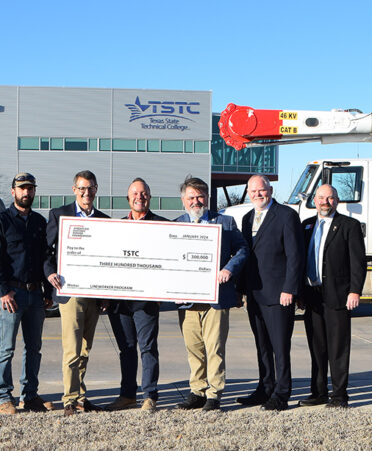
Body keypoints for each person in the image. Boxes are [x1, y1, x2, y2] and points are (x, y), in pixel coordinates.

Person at [175, 176, 248, 411]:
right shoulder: (176, 225)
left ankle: (214, 394)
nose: (196, 201)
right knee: (193, 347)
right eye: (191, 197)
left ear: (207, 198)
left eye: (200, 196)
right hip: (187, 300)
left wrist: (229, 268)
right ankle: (197, 390)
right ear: (183, 200)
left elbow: (242, 249)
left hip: (216, 297)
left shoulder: (225, 222)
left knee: (214, 347)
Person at [237, 174, 305, 411]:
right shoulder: (247, 219)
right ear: (248, 193)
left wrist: (290, 288)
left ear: (271, 190)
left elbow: (295, 256)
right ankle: (265, 388)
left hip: (279, 295)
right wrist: (242, 291)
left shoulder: (286, 216)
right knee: (262, 346)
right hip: (255, 294)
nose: (258, 194)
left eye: (262, 190)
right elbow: (245, 257)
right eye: (253, 191)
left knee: (279, 347)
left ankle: (282, 392)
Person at [44, 170, 109, 416]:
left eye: (90, 188)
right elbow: (47, 252)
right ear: (74, 190)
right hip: (69, 292)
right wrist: (50, 273)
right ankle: (69, 400)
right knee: (71, 350)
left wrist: (105, 294)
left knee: (85, 349)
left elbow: (106, 260)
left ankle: (81, 396)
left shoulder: (104, 219)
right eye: (81, 188)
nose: (86, 192)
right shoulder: (59, 215)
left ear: (96, 190)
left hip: (93, 295)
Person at [298, 184, 366, 409]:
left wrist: (355, 290)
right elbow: (299, 262)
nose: (325, 202)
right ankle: (318, 392)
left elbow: (358, 262)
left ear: (337, 201)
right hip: (313, 296)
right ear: (314, 200)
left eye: (330, 198)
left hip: (338, 295)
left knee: (338, 348)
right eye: (321, 198)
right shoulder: (306, 225)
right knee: (317, 347)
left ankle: (339, 395)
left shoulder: (349, 226)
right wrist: (299, 292)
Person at [105, 178, 168, 412]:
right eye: (135, 193)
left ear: (149, 197)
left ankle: (149, 395)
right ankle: (127, 395)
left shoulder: (164, 226)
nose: (139, 197)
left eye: (143, 193)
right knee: (127, 350)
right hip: (120, 302)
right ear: (128, 198)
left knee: (148, 348)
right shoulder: (116, 227)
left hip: (146, 301)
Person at [0, 172, 54, 415]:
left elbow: (45, 259)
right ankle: (3, 397)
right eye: (22, 188)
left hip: (35, 295)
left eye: (30, 188)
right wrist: (3, 292)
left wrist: (48, 291)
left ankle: (29, 395)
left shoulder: (40, 223)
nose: (26, 192)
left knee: (34, 348)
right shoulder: (3, 220)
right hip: (11, 295)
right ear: (13, 192)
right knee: (6, 349)